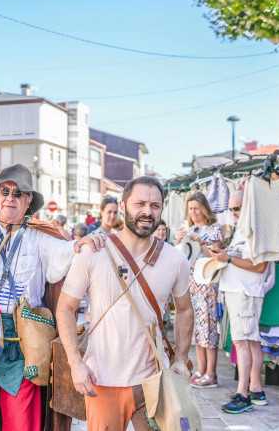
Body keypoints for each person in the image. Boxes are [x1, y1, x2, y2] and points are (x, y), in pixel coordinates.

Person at [0, 164, 103, 431]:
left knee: (21, 423)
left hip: (24, 342)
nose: (10, 197)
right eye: (4, 191)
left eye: (18, 193)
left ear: (28, 200)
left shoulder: (41, 237)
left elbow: (62, 254)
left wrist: (80, 244)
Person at [57, 176, 194, 431]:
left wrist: (181, 359)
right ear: (123, 207)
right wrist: (76, 364)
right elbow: (65, 307)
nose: (147, 211)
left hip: (155, 379)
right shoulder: (94, 252)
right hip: (103, 381)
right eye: (139, 203)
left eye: (155, 205)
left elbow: (185, 309)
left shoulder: (175, 259)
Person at [209, 191, 274, 413]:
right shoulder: (244, 228)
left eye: (237, 208)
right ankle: (255, 390)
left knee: (242, 342)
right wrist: (224, 253)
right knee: (251, 341)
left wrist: (227, 258)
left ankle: (243, 394)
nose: (233, 213)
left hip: (244, 293)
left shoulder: (255, 229)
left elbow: (260, 266)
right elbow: (243, 258)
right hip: (241, 292)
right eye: (231, 209)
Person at [173, 191, 223, 388]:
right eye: (190, 208)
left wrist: (201, 242)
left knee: (208, 327)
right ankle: (201, 370)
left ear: (204, 208)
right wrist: (179, 241)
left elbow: (215, 256)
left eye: (196, 208)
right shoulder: (188, 228)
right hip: (192, 282)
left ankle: (211, 373)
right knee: (196, 328)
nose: (193, 212)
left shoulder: (214, 230)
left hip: (208, 282)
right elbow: (178, 255)